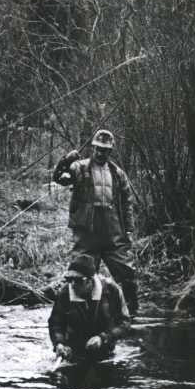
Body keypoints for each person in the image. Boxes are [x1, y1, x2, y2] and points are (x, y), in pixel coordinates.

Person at [52, 129, 139, 315]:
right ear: (93, 148)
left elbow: (127, 202)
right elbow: (59, 178)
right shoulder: (79, 167)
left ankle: (131, 315)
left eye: (105, 150)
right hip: (86, 232)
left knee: (127, 274)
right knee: (79, 275)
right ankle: (75, 314)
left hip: (113, 231)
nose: (101, 153)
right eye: (98, 149)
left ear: (110, 152)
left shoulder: (118, 174)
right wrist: (66, 161)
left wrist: (129, 229)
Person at [49, 254, 130, 362]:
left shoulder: (112, 290)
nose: (72, 284)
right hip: (74, 350)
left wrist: (103, 338)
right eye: (69, 279)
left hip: (105, 348)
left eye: (78, 280)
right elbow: (56, 323)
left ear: (90, 280)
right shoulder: (64, 293)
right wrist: (59, 343)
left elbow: (124, 323)